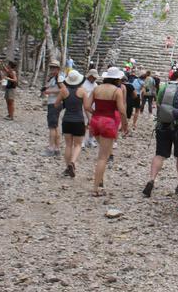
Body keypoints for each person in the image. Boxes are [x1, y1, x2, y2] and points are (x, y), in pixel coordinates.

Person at [143, 70, 178, 197]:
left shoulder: (164, 87)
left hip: (163, 125)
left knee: (160, 155)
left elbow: (159, 104)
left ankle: (151, 179)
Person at [85, 67, 128, 196]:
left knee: (101, 152)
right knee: (103, 157)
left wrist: (96, 113)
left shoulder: (96, 88)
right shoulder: (117, 91)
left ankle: (100, 181)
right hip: (108, 122)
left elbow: (87, 106)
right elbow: (121, 110)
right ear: (117, 79)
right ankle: (96, 188)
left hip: (95, 121)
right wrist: (125, 124)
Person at [55, 70, 86, 178]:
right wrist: (90, 119)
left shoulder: (63, 90)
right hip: (79, 120)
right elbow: (86, 107)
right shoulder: (82, 91)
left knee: (68, 145)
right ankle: (72, 163)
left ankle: (67, 167)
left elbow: (56, 104)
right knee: (78, 145)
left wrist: (64, 105)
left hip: (67, 120)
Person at [42, 60, 64, 157]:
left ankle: (51, 148)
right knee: (55, 126)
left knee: (52, 126)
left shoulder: (60, 78)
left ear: (58, 69)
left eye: (54, 68)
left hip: (54, 103)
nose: (52, 69)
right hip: (54, 103)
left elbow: (63, 90)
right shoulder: (54, 78)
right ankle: (57, 148)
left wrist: (49, 91)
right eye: (51, 67)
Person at [82, 69, 99, 148]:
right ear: (90, 76)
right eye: (93, 77)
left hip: (93, 106)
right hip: (84, 105)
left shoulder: (95, 85)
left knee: (92, 123)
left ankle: (90, 139)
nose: (95, 79)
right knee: (85, 123)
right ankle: (82, 140)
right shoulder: (83, 84)